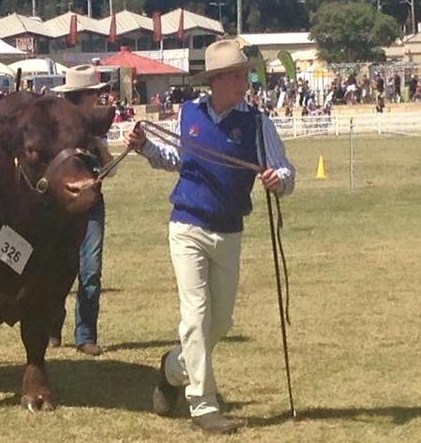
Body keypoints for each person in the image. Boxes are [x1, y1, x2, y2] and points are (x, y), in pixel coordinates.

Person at [124, 39, 296, 434]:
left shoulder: (257, 123)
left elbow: (285, 172)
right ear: (216, 81)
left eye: (244, 74)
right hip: (186, 226)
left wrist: (277, 180)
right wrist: (146, 147)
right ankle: (203, 405)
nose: (244, 80)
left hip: (229, 231)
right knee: (196, 316)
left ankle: (171, 370)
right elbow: (174, 159)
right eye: (235, 75)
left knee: (218, 324)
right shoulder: (188, 115)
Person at [49, 65, 111, 356]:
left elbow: (109, 169)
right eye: (93, 94)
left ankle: (85, 334)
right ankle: (51, 327)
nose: (97, 100)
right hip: (62, 206)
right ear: (83, 96)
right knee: (57, 267)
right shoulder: (57, 129)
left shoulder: (95, 129)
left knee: (90, 269)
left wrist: (97, 143)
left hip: (92, 205)